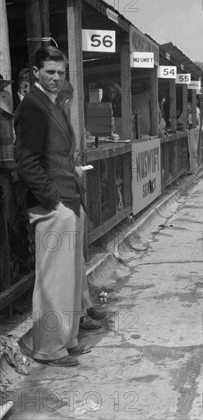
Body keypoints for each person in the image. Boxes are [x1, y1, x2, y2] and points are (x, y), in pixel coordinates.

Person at [14, 46, 90, 367]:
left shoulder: (53, 104)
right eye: (50, 72)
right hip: (51, 206)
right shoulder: (32, 106)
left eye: (61, 72)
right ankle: (47, 348)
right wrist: (55, 203)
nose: (56, 78)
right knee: (53, 282)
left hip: (68, 201)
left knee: (69, 279)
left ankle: (67, 339)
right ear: (36, 73)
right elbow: (27, 164)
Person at [56, 81, 106, 331]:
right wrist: (72, 171)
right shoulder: (51, 124)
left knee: (78, 258)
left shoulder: (58, 123)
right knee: (70, 262)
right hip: (61, 200)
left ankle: (85, 306)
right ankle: (79, 315)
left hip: (72, 196)